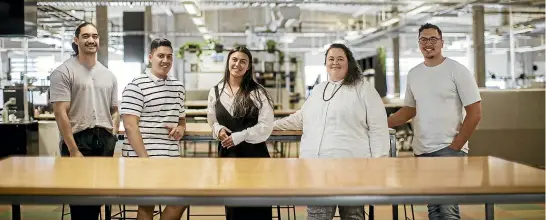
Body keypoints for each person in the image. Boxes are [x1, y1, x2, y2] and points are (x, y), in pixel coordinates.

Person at [273, 43, 390, 220]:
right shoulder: (320, 89)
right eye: (331, 59)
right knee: (317, 216)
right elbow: (301, 118)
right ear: (326, 63)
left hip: (352, 168)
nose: (335, 62)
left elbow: (379, 129)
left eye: (340, 58)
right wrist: (269, 126)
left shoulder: (363, 89)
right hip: (317, 169)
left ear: (349, 62)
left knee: (352, 216)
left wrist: (379, 167)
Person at [387, 23, 482, 220]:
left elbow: (475, 112)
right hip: (422, 149)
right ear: (419, 43)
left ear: (442, 43)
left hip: (449, 149)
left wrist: (457, 145)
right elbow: (408, 111)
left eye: (433, 39)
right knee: (433, 209)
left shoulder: (457, 70)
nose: (428, 43)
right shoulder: (414, 73)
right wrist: (380, 121)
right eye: (424, 39)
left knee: (448, 210)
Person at [49, 22, 120, 220]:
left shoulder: (109, 75)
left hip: (104, 140)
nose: (91, 40)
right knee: (80, 201)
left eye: (95, 36)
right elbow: (60, 113)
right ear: (76, 40)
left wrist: (112, 135)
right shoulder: (63, 72)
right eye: (86, 36)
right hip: (77, 140)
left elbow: (115, 110)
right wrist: (73, 150)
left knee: (98, 196)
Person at [120, 38, 187, 220]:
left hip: (170, 154)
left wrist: (180, 128)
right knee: (147, 203)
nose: (165, 60)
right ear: (150, 57)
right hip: (143, 155)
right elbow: (130, 126)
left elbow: (181, 119)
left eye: (169, 57)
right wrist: (145, 159)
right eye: (160, 56)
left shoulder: (178, 87)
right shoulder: (136, 85)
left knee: (183, 197)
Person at [206, 46, 274, 220]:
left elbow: (265, 127)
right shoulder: (215, 91)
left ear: (249, 66)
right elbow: (212, 120)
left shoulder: (258, 92)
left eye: (243, 61)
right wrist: (218, 129)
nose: (238, 64)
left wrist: (240, 136)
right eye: (234, 59)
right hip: (228, 156)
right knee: (233, 208)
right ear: (228, 62)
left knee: (258, 207)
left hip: (255, 156)